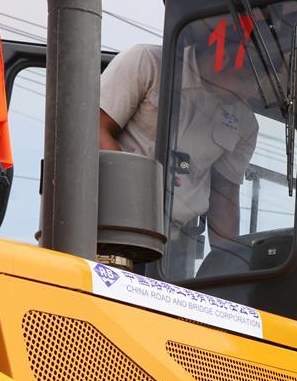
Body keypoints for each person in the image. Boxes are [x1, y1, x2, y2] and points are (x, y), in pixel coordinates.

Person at [99, 43, 258, 277]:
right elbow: (92, 129)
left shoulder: (244, 122)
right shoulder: (148, 63)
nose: (251, 93)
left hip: (178, 246)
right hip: (112, 235)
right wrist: (139, 189)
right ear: (224, 58)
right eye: (247, 81)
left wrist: (231, 270)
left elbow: (224, 197)